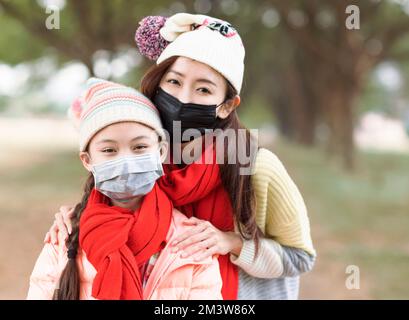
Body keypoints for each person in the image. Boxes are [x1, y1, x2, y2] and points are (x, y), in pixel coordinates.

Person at [44, 13, 316, 300]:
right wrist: (79, 219)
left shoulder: (255, 165)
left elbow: (300, 258)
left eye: (203, 89)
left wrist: (231, 242)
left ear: (226, 106)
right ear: (157, 84)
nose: (184, 98)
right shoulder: (145, 155)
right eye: (174, 82)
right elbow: (114, 202)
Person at [27, 78, 223, 300]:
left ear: (160, 152)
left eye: (139, 147)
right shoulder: (64, 238)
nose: (127, 161)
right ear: (87, 160)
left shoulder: (190, 243)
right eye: (109, 150)